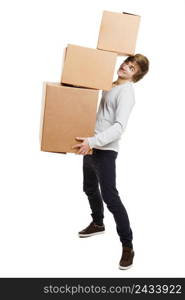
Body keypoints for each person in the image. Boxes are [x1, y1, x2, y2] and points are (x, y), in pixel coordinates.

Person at [72, 54, 149, 270]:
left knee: (111, 198)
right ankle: (98, 223)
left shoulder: (126, 92)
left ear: (136, 76)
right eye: (127, 62)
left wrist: (93, 141)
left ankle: (128, 246)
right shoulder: (110, 83)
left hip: (104, 150)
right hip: (91, 146)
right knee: (88, 187)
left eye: (131, 67)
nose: (125, 66)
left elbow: (118, 127)